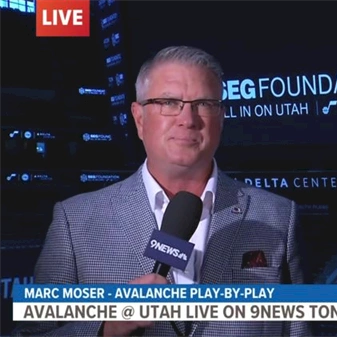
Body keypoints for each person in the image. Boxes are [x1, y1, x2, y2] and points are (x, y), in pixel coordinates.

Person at [12, 46, 311, 337]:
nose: (188, 119)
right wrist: (105, 329)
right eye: (169, 102)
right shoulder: (74, 221)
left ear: (221, 117)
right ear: (139, 118)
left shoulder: (277, 216)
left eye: (205, 103)